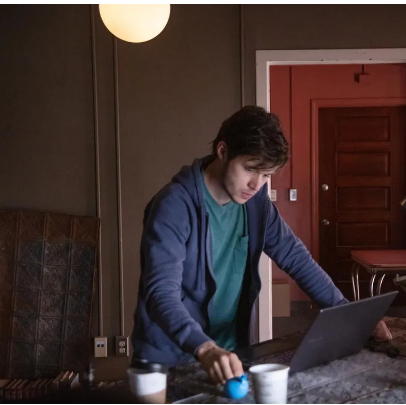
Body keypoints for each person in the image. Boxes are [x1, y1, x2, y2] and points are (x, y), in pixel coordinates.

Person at [131, 106, 391, 386]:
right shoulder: (173, 205)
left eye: (267, 175)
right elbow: (161, 292)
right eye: (250, 169)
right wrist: (203, 348)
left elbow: (296, 258)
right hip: (170, 358)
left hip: (230, 354)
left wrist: (349, 315)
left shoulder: (256, 203)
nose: (257, 184)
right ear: (222, 151)